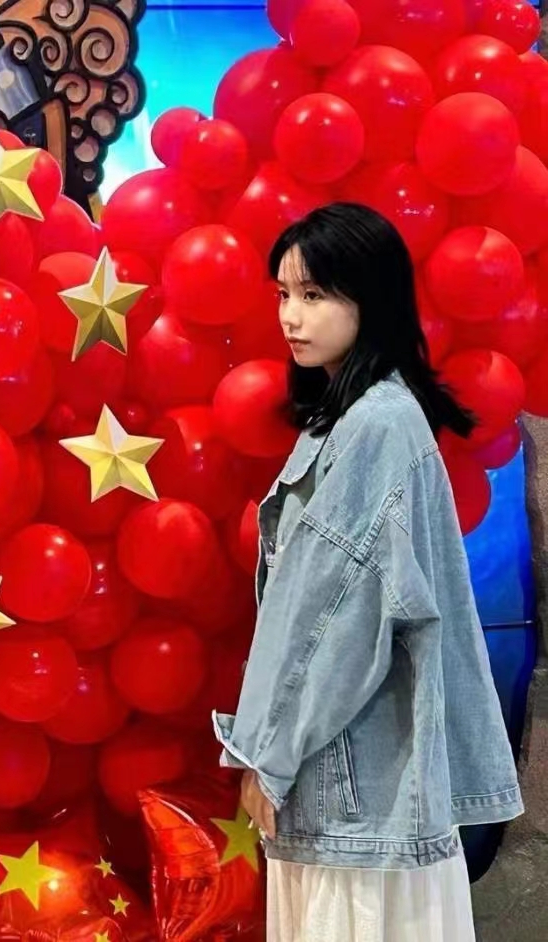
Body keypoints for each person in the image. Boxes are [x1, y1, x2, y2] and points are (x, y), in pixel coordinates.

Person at [212, 202, 523, 942]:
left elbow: (335, 619)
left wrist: (270, 756)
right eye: (284, 294)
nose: (291, 316)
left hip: (352, 789)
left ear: (370, 299)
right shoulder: (363, 418)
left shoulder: (375, 426)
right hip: (365, 784)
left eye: (314, 294)